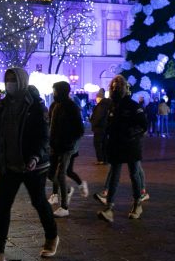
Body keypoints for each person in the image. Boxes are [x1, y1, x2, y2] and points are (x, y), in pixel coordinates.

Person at [0, 67, 58, 261]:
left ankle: (51, 236)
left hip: (34, 165)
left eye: (13, 79)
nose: (9, 83)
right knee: (3, 207)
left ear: (22, 81)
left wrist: (35, 156)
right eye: (7, 79)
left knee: (38, 201)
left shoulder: (35, 106)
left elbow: (43, 136)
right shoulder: (3, 106)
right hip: (10, 164)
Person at [95, 75, 146, 223]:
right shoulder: (112, 105)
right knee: (114, 176)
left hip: (131, 145)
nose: (114, 89)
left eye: (117, 87)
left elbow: (143, 125)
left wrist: (132, 133)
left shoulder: (133, 106)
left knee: (134, 174)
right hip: (116, 145)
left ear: (124, 88)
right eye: (112, 86)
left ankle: (137, 204)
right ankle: (109, 208)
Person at [48, 81, 87, 217]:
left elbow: (80, 130)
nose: (54, 94)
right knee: (50, 173)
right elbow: (52, 126)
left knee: (61, 173)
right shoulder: (55, 106)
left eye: (56, 91)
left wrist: (69, 141)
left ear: (62, 92)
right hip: (55, 145)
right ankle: (67, 189)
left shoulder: (71, 107)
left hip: (66, 146)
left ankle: (64, 207)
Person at [90, 88, 110, 164]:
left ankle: (100, 159)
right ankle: (105, 159)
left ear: (99, 98)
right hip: (104, 128)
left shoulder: (101, 106)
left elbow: (98, 117)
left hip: (99, 128)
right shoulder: (106, 104)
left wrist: (93, 122)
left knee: (98, 144)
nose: (96, 99)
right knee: (104, 143)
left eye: (97, 98)